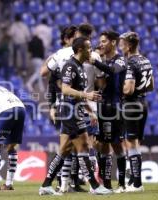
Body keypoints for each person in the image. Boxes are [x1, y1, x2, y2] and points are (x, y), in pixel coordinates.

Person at [39, 37, 112, 196]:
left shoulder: (80, 66)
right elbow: (65, 89)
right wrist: (87, 95)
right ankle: (94, 186)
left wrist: (89, 109)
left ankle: (45, 185)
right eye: (88, 48)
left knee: (65, 150)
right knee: (83, 146)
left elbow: (78, 95)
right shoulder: (70, 66)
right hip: (69, 111)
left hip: (76, 109)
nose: (91, 50)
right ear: (80, 49)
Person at [89, 30, 127, 192]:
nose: (101, 44)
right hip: (102, 107)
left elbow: (113, 71)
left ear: (113, 42)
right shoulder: (103, 60)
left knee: (117, 145)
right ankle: (106, 184)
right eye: (100, 41)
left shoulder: (120, 60)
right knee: (102, 144)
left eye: (104, 41)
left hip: (115, 107)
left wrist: (95, 62)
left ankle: (123, 184)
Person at [120, 32, 154, 192]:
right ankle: (133, 180)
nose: (120, 46)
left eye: (122, 43)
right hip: (143, 103)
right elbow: (151, 85)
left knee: (131, 143)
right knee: (136, 143)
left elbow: (129, 89)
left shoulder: (131, 63)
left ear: (129, 46)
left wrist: (119, 89)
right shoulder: (146, 60)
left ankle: (137, 184)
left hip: (131, 105)